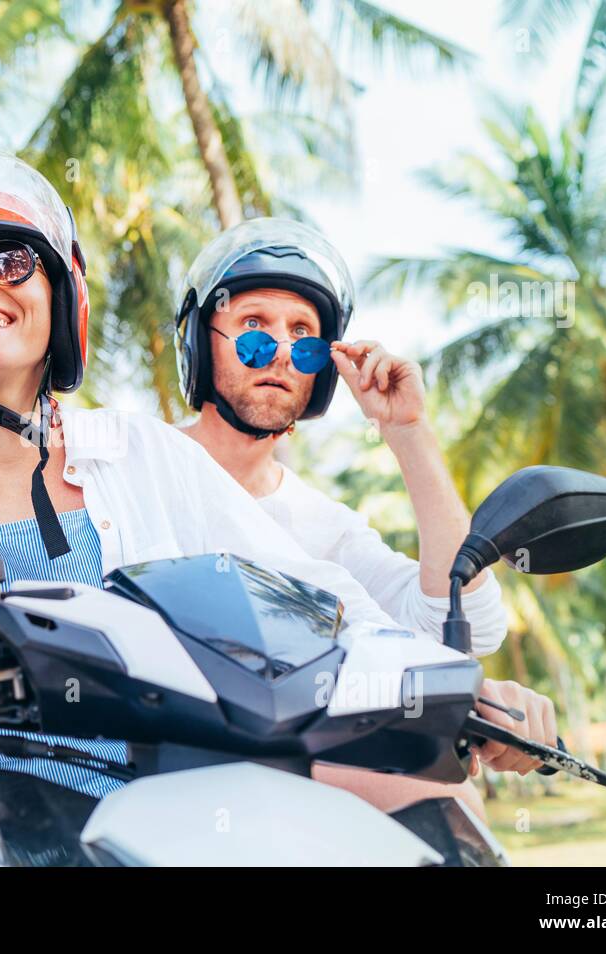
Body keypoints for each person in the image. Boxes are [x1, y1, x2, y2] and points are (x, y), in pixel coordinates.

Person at [0, 150, 557, 866]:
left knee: (436, 817)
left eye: (8, 260)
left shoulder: (147, 455)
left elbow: (334, 610)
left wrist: (464, 698)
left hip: (186, 830)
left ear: (58, 296)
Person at [173, 218, 518, 813]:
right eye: (253, 330)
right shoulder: (134, 467)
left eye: (304, 338)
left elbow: (462, 624)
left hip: (286, 805)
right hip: (145, 784)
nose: (280, 353)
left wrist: (408, 432)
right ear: (201, 343)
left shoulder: (321, 526)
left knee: (448, 797)